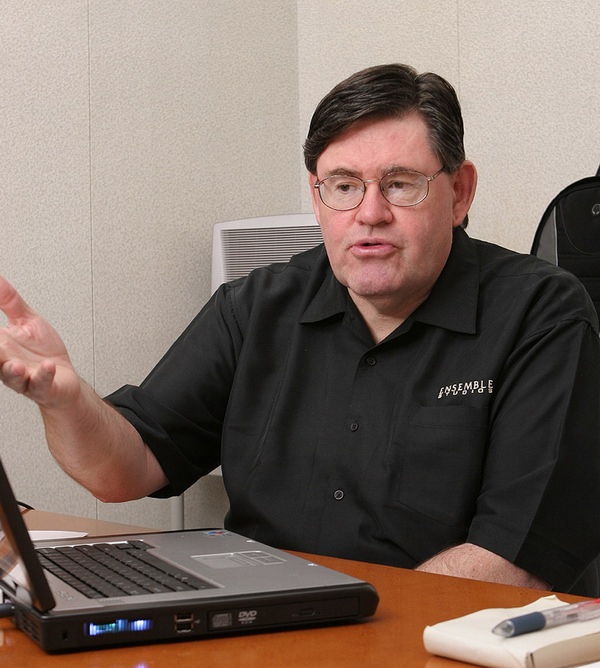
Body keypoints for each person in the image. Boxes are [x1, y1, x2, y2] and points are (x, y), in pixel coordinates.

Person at [1, 64, 599, 596]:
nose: (369, 213)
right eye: (344, 186)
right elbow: (124, 469)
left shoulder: (542, 313)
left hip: (435, 644)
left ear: (460, 192)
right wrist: (66, 400)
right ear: (317, 197)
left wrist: (340, 627)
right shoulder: (256, 306)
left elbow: (515, 561)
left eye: (399, 183)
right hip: (262, 630)